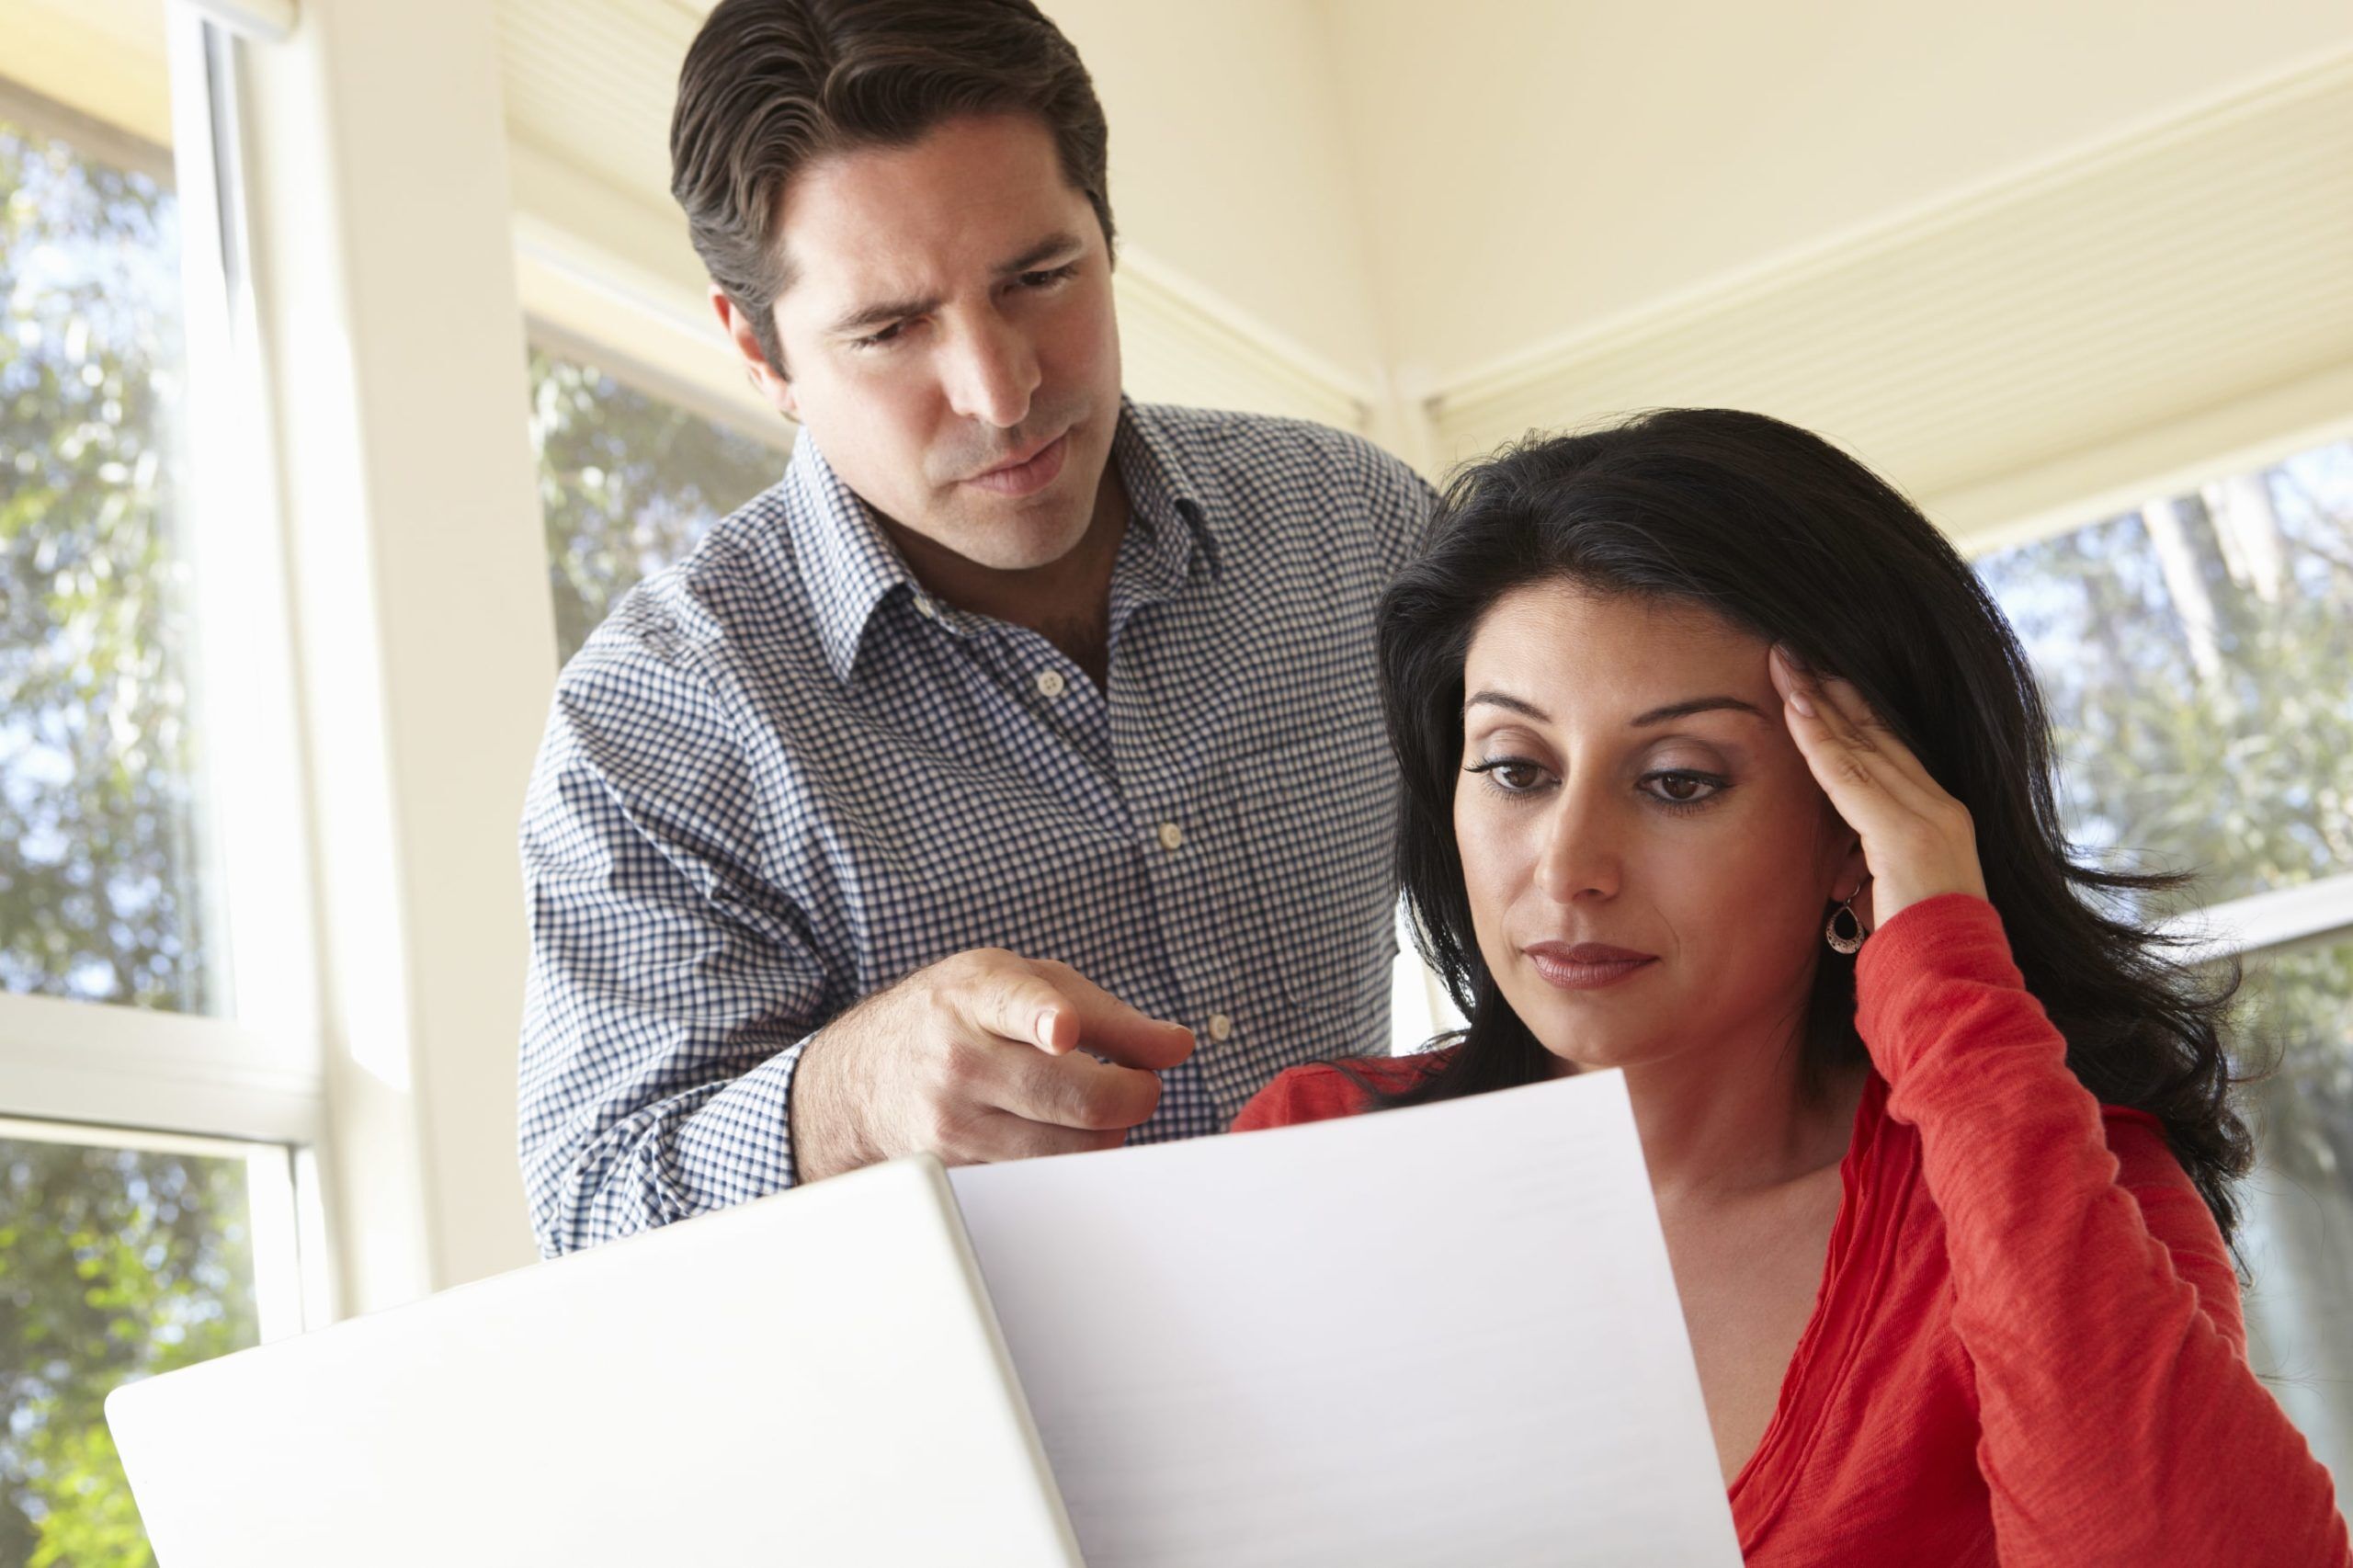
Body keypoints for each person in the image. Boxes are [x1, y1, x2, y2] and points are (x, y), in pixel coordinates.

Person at [1233, 409, 2353, 1564]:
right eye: (1515, 769)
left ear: (1857, 830)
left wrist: (1943, 969)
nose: (1567, 867)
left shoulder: (2043, 1182)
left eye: (1676, 783)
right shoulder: (1313, 1154)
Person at [517, 0, 1436, 1256]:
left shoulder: (1354, 528)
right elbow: (594, 1213)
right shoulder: (659, 724)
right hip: (1010, 1442)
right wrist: (847, 1101)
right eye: (891, 330)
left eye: (1040, 278)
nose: (1002, 393)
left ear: (1106, 237)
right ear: (760, 349)